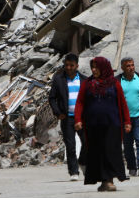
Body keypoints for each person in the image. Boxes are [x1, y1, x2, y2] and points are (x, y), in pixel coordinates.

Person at [74, 57, 131, 192]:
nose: (94, 70)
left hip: (112, 125)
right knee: (97, 153)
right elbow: (80, 102)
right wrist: (77, 119)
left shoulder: (114, 84)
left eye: (96, 67)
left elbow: (123, 103)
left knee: (110, 152)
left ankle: (109, 180)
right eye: (92, 67)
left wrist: (127, 122)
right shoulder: (87, 84)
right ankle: (104, 181)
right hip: (93, 126)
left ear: (103, 67)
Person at [48, 53, 86, 181]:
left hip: (82, 118)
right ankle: (73, 172)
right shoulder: (59, 79)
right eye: (67, 65)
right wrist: (58, 113)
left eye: (71, 65)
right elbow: (52, 98)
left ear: (77, 66)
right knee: (70, 146)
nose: (69, 67)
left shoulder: (84, 80)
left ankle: (83, 161)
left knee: (87, 142)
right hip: (67, 118)